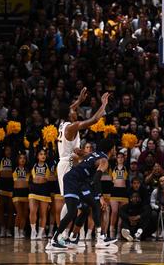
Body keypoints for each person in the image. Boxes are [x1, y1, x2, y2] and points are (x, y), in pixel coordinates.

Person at [56, 90, 110, 239]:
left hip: (70, 162)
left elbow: (68, 109)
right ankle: (60, 236)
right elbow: (93, 120)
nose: (76, 110)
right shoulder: (71, 127)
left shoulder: (63, 123)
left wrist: (79, 100)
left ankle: (69, 236)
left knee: (80, 204)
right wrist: (103, 104)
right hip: (67, 164)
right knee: (69, 201)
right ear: (69, 114)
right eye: (73, 110)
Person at [47, 138, 118, 250]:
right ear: (111, 149)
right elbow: (96, 179)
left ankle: (74, 238)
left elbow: (80, 156)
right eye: (115, 148)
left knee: (87, 208)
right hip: (73, 181)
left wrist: (78, 152)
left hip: (79, 182)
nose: (116, 151)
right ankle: (53, 240)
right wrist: (100, 197)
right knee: (72, 211)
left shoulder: (95, 154)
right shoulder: (104, 160)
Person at [28, 148, 52, 240]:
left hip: (44, 190)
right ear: (37, 156)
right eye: (41, 154)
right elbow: (31, 153)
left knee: (43, 213)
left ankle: (40, 233)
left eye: (44, 154)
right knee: (33, 210)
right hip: (33, 190)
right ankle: (33, 231)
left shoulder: (48, 164)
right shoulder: (33, 164)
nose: (43, 156)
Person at [109, 152, 129, 239]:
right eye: (118, 157)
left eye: (122, 157)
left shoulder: (126, 167)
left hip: (124, 192)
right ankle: (111, 230)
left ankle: (119, 231)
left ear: (124, 159)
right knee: (114, 211)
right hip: (114, 191)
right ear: (116, 159)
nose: (120, 159)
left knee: (122, 213)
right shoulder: (113, 167)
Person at [0, 145, 14, 238]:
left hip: (11, 185)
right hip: (2, 184)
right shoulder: (1, 159)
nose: (8, 151)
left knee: (11, 208)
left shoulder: (14, 159)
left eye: (10, 150)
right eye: (7, 150)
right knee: (0, 207)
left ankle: (8, 229)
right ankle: (2, 228)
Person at [12, 152, 30, 239]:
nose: (22, 160)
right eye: (20, 158)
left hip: (26, 192)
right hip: (16, 192)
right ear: (17, 160)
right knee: (19, 212)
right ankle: (16, 230)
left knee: (25, 213)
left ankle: (21, 230)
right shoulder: (14, 168)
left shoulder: (28, 170)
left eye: (24, 158)